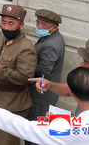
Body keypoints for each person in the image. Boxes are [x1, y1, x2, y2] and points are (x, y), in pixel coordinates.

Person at [0, 3, 37, 145]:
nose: (6, 27)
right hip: (1, 100)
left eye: (11, 23)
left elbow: (25, 77)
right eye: (3, 22)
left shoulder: (26, 48)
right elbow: (4, 59)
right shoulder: (8, 40)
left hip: (13, 104)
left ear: (21, 26)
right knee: (1, 139)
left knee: (5, 142)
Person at [30, 38, 89, 115]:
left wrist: (65, 125)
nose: (81, 65)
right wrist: (49, 85)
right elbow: (72, 88)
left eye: (85, 62)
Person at [26, 9, 65, 145]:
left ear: (55, 27)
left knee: (36, 133)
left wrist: (26, 65)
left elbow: (43, 71)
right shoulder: (51, 37)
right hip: (43, 95)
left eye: (44, 25)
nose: (39, 27)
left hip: (41, 97)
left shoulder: (52, 44)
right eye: (38, 23)